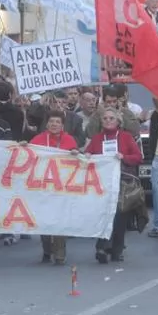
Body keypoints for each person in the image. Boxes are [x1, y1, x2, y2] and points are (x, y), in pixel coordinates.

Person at [86, 108, 143, 264]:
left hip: (123, 181)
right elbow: (88, 155)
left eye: (111, 118)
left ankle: (115, 249)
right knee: (104, 214)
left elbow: (138, 157)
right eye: (105, 118)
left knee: (119, 215)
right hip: (102, 183)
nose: (108, 121)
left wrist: (124, 157)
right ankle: (102, 247)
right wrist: (88, 155)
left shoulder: (126, 137)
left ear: (118, 121)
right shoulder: (97, 138)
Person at [29, 111, 79, 266]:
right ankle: (46, 250)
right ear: (47, 124)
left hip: (62, 187)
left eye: (57, 122)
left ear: (62, 125)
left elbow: (76, 161)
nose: (54, 124)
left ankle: (59, 253)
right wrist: (24, 147)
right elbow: (28, 156)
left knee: (59, 220)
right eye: (51, 121)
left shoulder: (69, 140)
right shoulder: (37, 140)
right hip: (42, 186)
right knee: (44, 219)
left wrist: (75, 154)